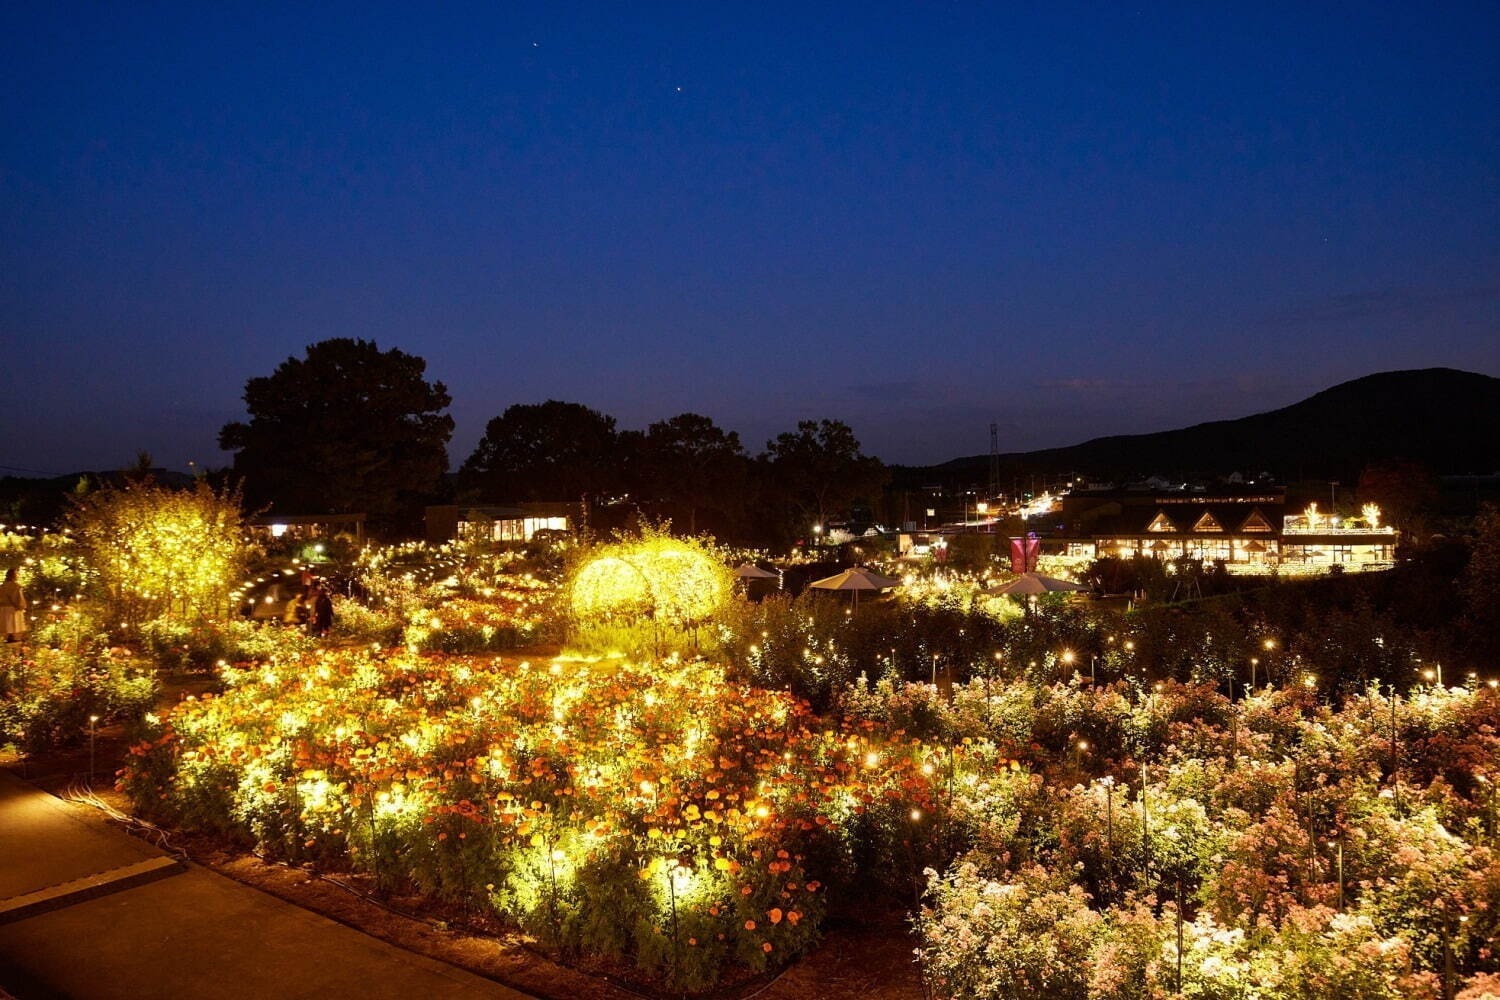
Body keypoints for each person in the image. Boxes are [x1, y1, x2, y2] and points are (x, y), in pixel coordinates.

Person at [0, 568, 27, 642]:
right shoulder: (16, 586)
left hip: (3, 607)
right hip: (12, 608)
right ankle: (12, 637)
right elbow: (19, 598)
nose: (18, 575)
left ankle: (9, 637)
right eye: (17, 574)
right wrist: (21, 606)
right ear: (13, 575)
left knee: (7, 624)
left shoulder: (2, 586)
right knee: (13, 624)